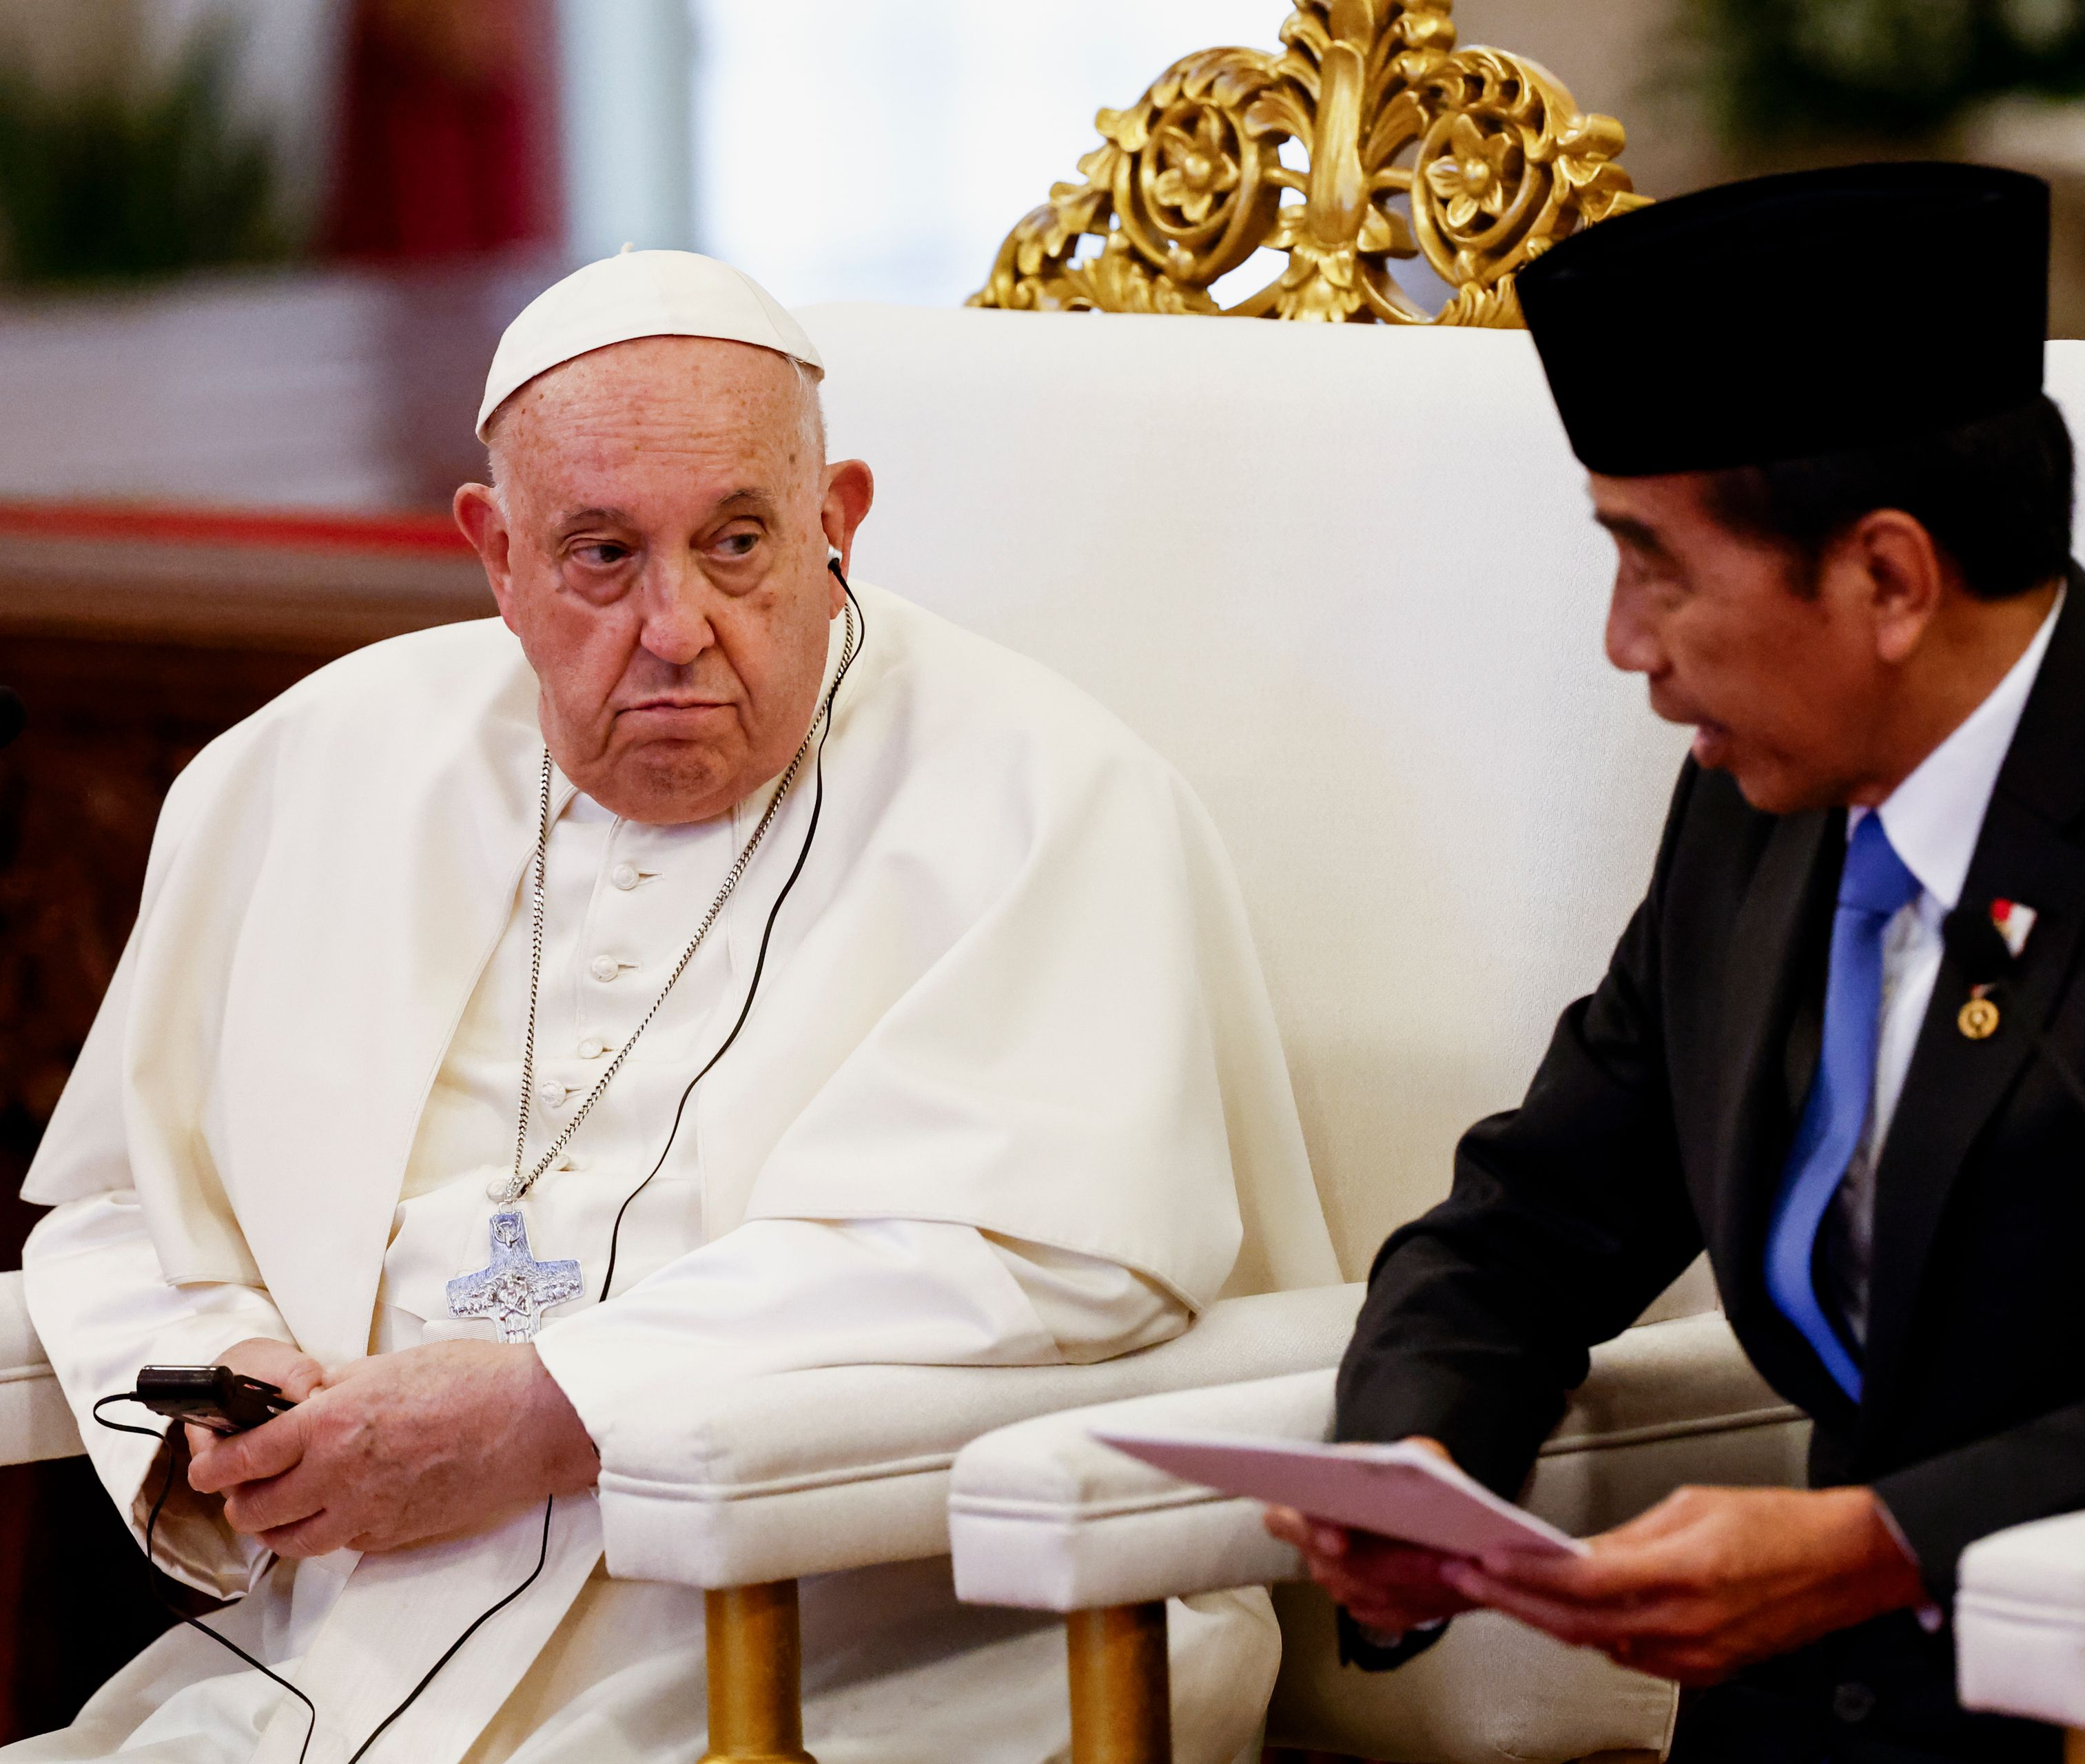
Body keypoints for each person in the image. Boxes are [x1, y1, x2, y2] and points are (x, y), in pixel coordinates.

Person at [1266, 164, 2085, 1761]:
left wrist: (1885, 1535)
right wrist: (1421, 1453)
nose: (1623, 638)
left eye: (1654, 561)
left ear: (1886, 576)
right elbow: (1534, 1216)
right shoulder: (1755, 812)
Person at [17, 248, 1335, 1764]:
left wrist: (552, 1406)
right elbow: (129, 1197)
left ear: (836, 522)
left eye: (736, 543)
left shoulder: (1050, 794)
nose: (677, 626)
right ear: (494, 554)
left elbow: (1070, 1260)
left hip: (871, 1642)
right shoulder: (310, 766)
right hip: (342, 1659)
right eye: (599, 556)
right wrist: (233, 1391)